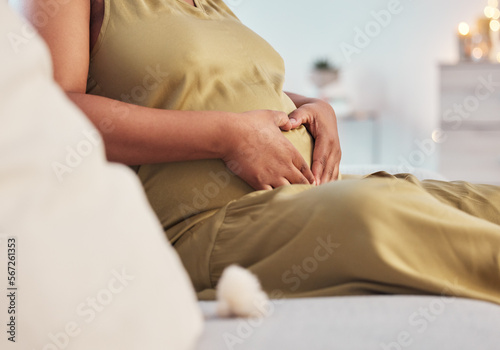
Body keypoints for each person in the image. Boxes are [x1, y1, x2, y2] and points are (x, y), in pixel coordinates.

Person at [18, 0, 500, 304]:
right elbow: (55, 110)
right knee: (375, 211)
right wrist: (227, 138)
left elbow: (232, 89)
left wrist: (316, 106)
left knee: (478, 200)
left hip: (300, 197)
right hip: (203, 222)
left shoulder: (212, 5)